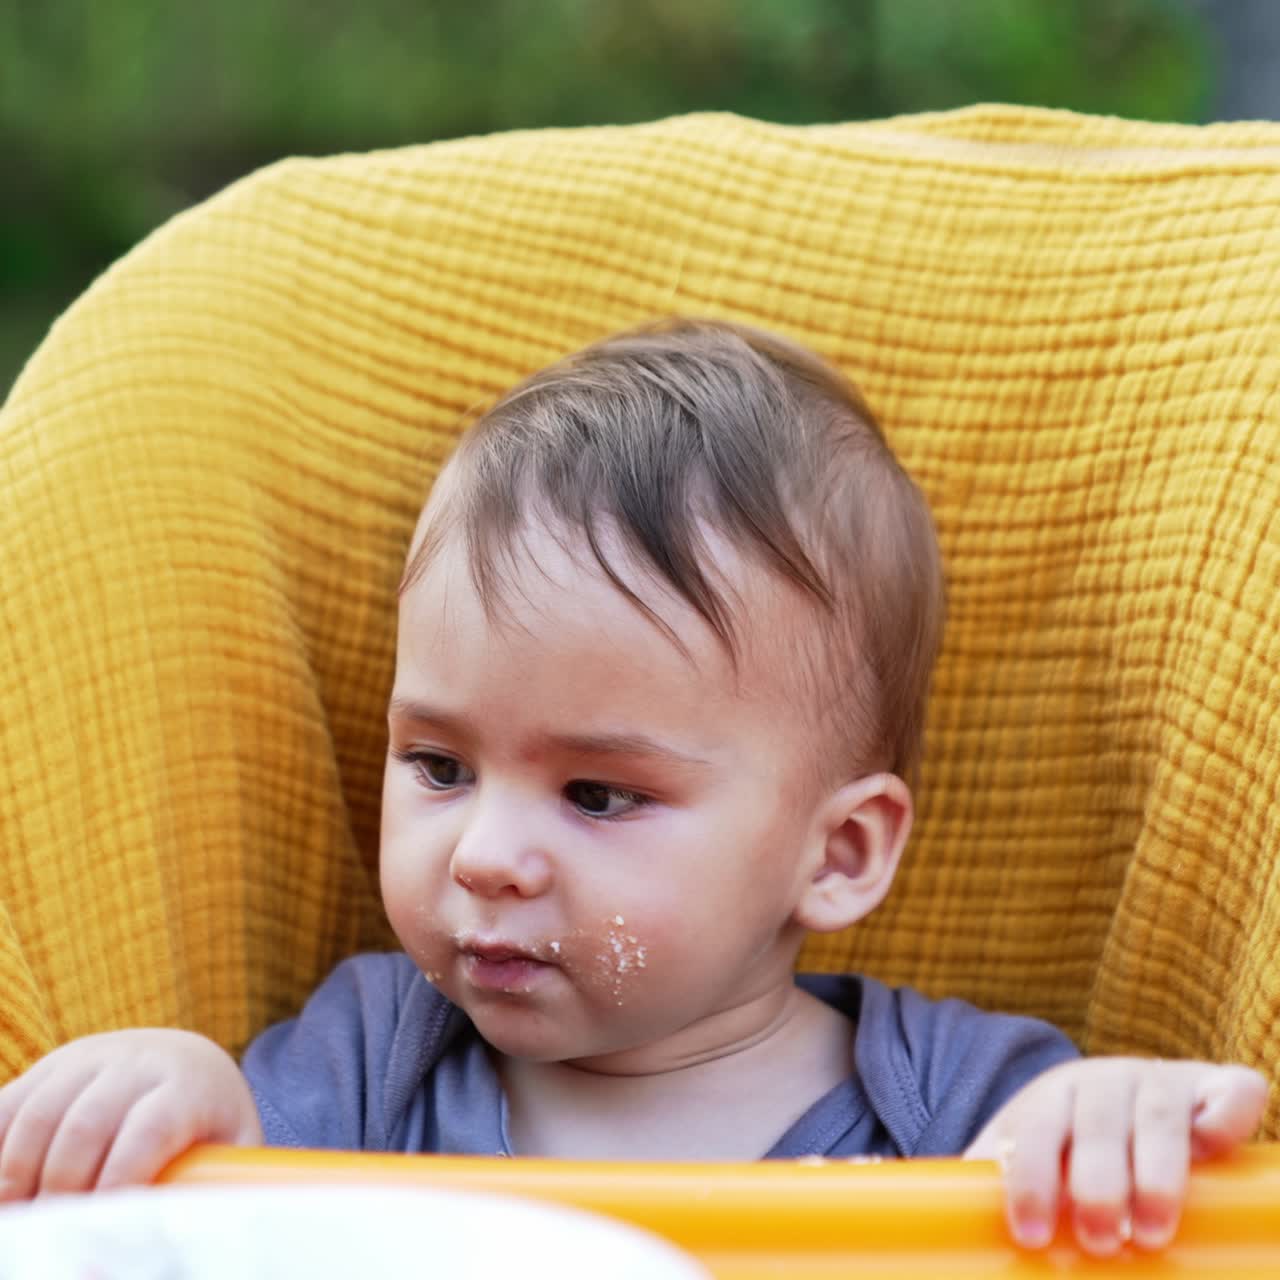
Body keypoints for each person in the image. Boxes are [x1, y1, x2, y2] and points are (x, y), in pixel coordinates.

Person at [0, 320, 1266, 1256]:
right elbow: (215, 1207)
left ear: (835, 854)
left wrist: (1107, 1121)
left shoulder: (953, 1101)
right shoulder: (376, 1060)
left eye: (598, 795)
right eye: (439, 766)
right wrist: (174, 1089)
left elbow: (1080, 1186)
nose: (484, 853)